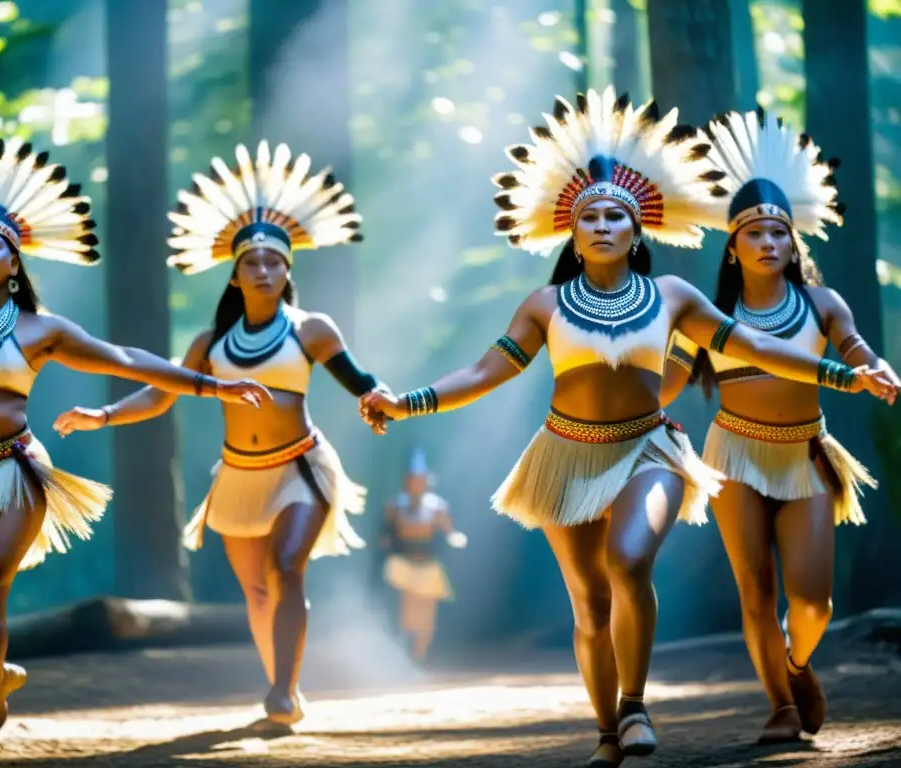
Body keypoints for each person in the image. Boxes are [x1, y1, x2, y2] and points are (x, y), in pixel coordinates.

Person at [358, 88, 897, 768]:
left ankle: (635, 706)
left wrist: (850, 375)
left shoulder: (673, 298)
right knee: (588, 605)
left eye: (618, 216)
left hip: (651, 448)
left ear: (639, 231)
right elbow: (484, 373)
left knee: (629, 559)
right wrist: (406, 403)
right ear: (571, 233)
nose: (605, 225)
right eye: (592, 218)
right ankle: (608, 732)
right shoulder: (544, 305)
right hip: (564, 456)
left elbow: (754, 347)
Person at [0, 139, 270, 765]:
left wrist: (211, 383)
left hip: (13, 474)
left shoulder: (41, 330)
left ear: (13, 262)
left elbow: (126, 359)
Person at [53, 140, 388, 729]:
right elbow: (160, 394)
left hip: (301, 468)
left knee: (287, 569)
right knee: (257, 592)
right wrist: (103, 416)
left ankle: (283, 691)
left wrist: (380, 401)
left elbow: (358, 380)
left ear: (289, 269)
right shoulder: (209, 344)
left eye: (273, 261)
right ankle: (282, 681)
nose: (262, 270)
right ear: (234, 276)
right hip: (236, 476)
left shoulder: (311, 329)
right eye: (251, 263)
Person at [661, 109, 900, 744]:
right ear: (732, 248)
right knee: (755, 589)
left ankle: (797, 665)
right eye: (756, 234)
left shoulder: (822, 303)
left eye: (779, 233)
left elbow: (854, 348)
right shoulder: (709, 318)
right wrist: (622, 406)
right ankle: (780, 707)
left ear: (794, 243)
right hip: (732, 454)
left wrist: (878, 369)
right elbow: (668, 383)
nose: (769, 243)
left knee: (814, 601)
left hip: (804, 454)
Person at [380, 447, 467, 661]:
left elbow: (448, 529)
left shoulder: (436, 506)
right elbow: (386, 534)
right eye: (412, 479)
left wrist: (453, 536)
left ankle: (419, 656)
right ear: (406, 480)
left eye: (419, 479)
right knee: (406, 612)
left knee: (426, 616)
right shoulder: (395, 505)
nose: (416, 483)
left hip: (428, 564)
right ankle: (402, 655)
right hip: (403, 563)